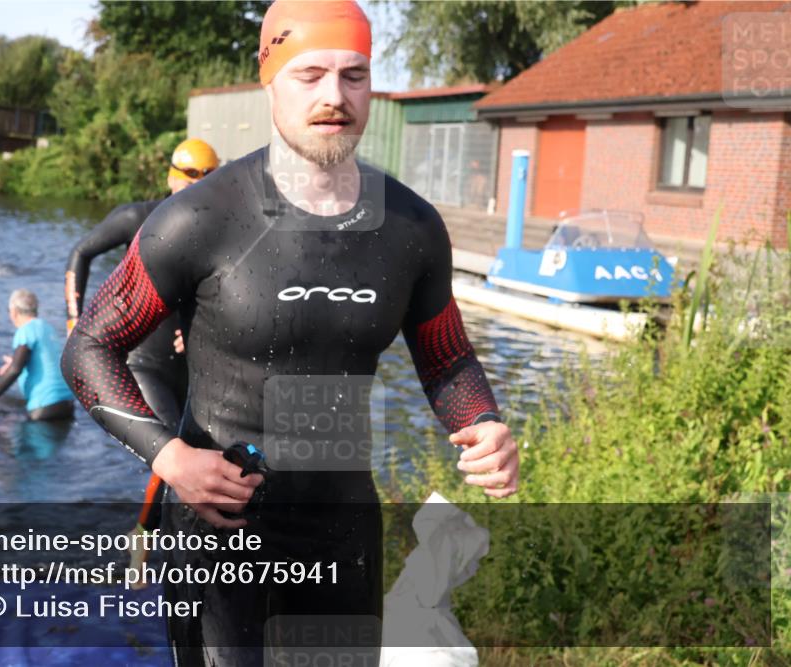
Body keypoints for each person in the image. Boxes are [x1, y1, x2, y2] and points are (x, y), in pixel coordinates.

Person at [62, 1, 519, 663]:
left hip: (341, 528)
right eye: (310, 74)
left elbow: (446, 358)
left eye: (354, 75)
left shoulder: (412, 228)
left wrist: (484, 419)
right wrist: (168, 458)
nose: (335, 96)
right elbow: (89, 345)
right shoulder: (198, 217)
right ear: (269, 79)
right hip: (219, 527)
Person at [65, 138, 219, 536]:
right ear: (171, 174)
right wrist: (74, 321)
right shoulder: (140, 217)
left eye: (208, 175)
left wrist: (204, 328)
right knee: (172, 453)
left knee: (202, 456)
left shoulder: (221, 227)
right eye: (190, 174)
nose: (198, 182)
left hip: (190, 368)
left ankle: (160, 541)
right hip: (143, 364)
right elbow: (81, 253)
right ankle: (146, 542)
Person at [0, 289, 74, 421]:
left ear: (14, 311)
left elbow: (15, 370)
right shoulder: (48, 328)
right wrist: (14, 362)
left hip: (44, 406)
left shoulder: (25, 331)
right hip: (67, 404)